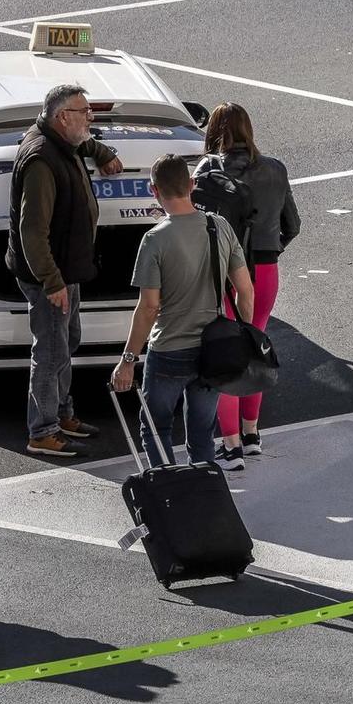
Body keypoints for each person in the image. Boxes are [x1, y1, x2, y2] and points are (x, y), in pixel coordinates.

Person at [109, 154, 254, 470]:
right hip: (211, 351)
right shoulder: (219, 226)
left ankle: (168, 492)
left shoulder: (154, 240)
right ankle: (202, 494)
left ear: (154, 191)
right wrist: (245, 335)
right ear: (191, 185)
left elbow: (149, 308)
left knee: (156, 428)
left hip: (169, 351)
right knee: (202, 431)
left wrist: (128, 360)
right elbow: (245, 290)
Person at [7, 82, 125, 458]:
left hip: (65, 271)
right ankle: (41, 431)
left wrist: (102, 151)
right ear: (62, 116)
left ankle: (62, 413)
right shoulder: (41, 161)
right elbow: (32, 230)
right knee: (52, 350)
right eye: (83, 112)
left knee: (67, 339)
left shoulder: (60, 138)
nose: (89, 118)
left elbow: (83, 141)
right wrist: (52, 281)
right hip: (50, 276)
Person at [193, 103, 300, 469]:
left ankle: (231, 444)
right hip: (266, 269)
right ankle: (252, 434)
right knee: (255, 345)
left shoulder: (209, 168)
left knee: (224, 351)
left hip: (224, 271)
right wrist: (271, 249)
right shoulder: (275, 169)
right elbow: (293, 224)